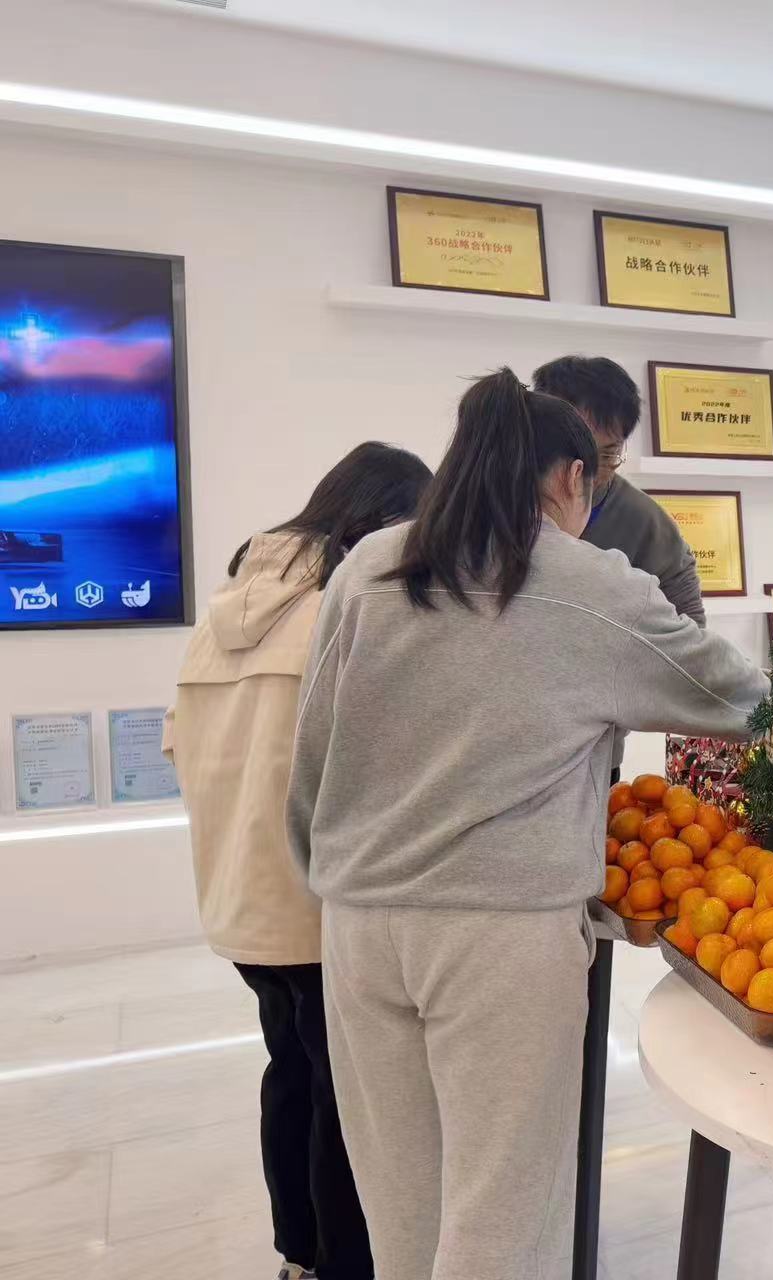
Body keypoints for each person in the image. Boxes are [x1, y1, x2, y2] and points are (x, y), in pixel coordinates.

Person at [287, 369, 765, 1279]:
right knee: (503, 1217)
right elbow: (737, 696)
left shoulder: (368, 567)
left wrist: (330, 875)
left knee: (401, 1209)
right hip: (502, 934)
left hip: (359, 922)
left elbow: (312, 749)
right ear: (572, 479)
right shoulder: (589, 582)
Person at [164, 441, 432, 1280]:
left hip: (238, 898)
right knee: (346, 1097)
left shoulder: (223, 614)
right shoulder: (342, 610)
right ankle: (345, 1265)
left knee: (290, 1070)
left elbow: (177, 745)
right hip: (317, 901)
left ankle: (299, 1255)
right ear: (387, 520)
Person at [531, 355, 704, 624]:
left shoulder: (648, 524)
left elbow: (691, 630)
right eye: (576, 450)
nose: (587, 471)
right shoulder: (486, 502)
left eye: (608, 453)